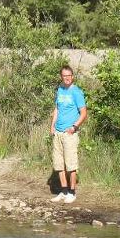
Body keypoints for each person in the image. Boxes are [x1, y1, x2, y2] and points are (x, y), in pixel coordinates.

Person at [50, 66, 87, 203]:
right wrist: (52, 125)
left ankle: (72, 192)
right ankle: (63, 191)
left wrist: (74, 127)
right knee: (59, 164)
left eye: (69, 75)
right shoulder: (60, 90)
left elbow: (84, 113)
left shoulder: (76, 92)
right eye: (64, 75)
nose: (67, 78)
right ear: (61, 76)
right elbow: (57, 109)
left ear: (72, 76)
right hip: (58, 132)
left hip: (69, 134)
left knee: (71, 165)